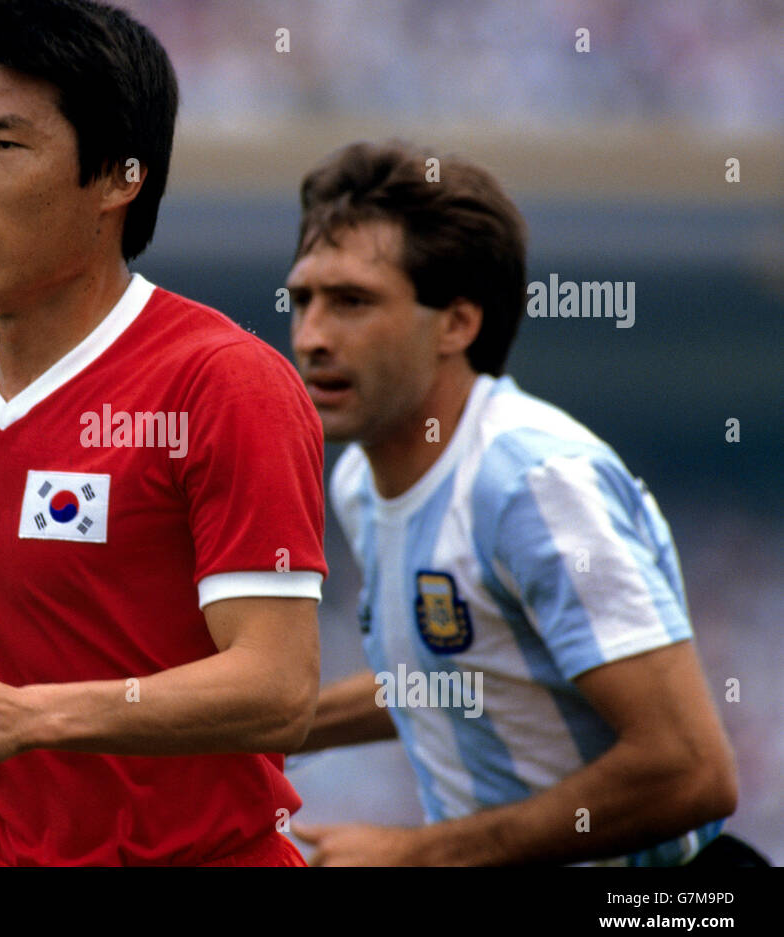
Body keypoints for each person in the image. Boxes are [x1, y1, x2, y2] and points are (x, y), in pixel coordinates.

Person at [0, 0, 327, 867]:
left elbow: (278, 688)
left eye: (5, 145)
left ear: (121, 177)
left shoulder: (221, 382)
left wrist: (30, 715)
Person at [285, 140, 740, 866]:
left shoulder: (534, 483)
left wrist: (421, 855)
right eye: (303, 299)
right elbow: (465, 665)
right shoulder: (360, 485)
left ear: (458, 324)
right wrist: (268, 724)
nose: (311, 337)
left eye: (352, 302)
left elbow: (691, 771)